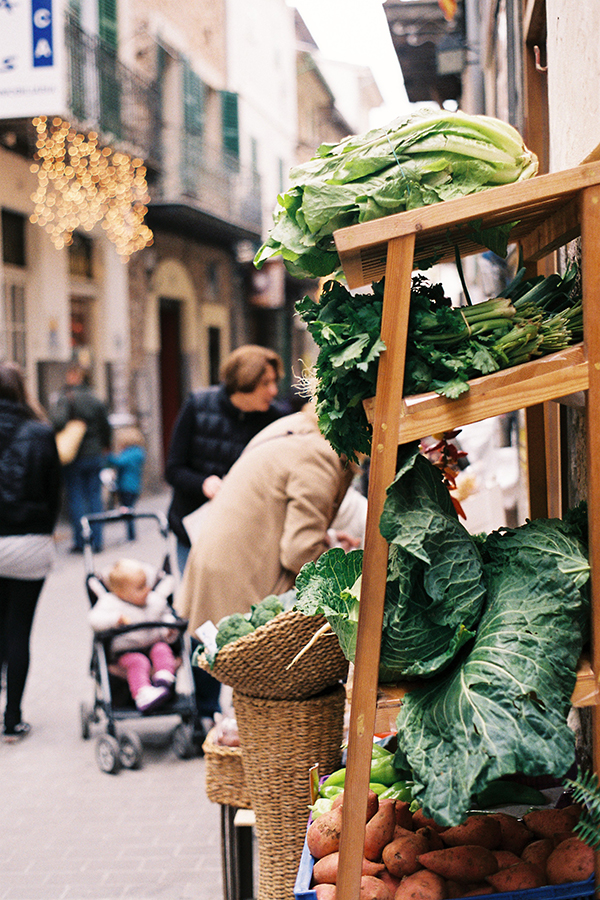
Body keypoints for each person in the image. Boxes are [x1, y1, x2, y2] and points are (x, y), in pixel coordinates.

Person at [175, 400, 356, 645]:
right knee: (262, 674)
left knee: (228, 668)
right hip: (244, 580)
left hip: (220, 567)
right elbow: (298, 552)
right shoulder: (320, 454)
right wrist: (343, 565)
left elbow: (276, 510)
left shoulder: (294, 427)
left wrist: (328, 539)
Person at [165, 344, 285, 574]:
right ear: (244, 382)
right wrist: (204, 483)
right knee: (193, 606)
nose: (273, 391)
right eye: (265, 383)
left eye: (274, 382)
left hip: (246, 534)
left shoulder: (276, 418)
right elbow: (173, 469)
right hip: (194, 529)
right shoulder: (197, 406)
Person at [0, 361, 62, 742]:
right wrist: (45, 531)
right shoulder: (40, 433)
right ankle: (12, 719)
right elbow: (55, 491)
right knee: (18, 630)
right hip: (29, 543)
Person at [88, 558, 179, 713]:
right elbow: (94, 620)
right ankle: (143, 694)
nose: (147, 589)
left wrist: (168, 629)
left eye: (146, 584)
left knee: (162, 648)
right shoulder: (110, 603)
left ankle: (164, 680)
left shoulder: (154, 600)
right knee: (138, 661)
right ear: (121, 593)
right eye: (140, 587)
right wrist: (114, 620)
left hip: (152, 644)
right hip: (125, 652)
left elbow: (166, 615)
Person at [50, 362, 112, 553]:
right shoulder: (95, 398)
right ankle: (98, 540)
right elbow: (105, 426)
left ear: (72, 376)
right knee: (95, 496)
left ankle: (81, 540)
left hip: (74, 455)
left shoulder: (65, 398)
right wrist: (105, 445)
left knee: (76, 497)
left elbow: (57, 423)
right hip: (94, 454)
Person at [106, 425, 147, 541]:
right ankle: (131, 534)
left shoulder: (131, 453)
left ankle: (131, 535)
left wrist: (108, 456)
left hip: (126, 486)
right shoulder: (139, 452)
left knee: (127, 511)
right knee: (129, 509)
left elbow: (119, 462)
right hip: (134, 486)